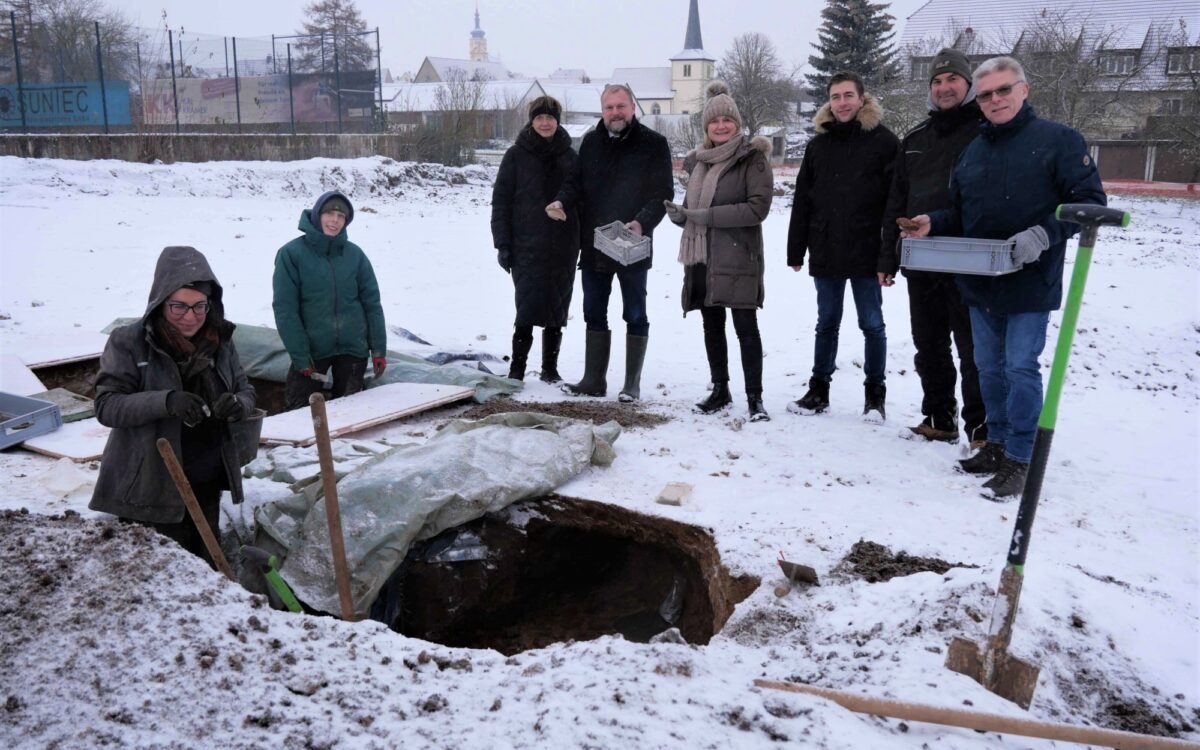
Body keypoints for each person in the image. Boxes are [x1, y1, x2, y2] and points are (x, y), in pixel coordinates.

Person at [902, 56, 1106, 499]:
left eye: (1003, 90)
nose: (995, 100)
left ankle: (1020, 457)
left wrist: (1044, 233)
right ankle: (994, 445)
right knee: (987, 368)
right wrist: (933, 222)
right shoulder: (974, 150)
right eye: (987, 94)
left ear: (1024, 90)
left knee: (1018, 367)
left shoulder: (1059, 141)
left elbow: (1090, 201)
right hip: (980, 278)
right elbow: (963, 212)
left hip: (1030, 280)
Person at [90, 246, 256, 564]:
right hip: (151, 485)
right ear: (160, 301)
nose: (190, 317)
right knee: (159, 577)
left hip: (205, 480)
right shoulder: (130, 341)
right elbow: (107, 406)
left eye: (199, 307)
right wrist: (166, 401)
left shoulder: (219, 340)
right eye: (178, 307)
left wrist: (237, 405)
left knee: (204, 571)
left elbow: (246, 390)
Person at [879, 48, 987, 446]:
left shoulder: (984, 132)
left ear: (968, 84)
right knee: (929, 344)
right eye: (937, 82)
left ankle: (981, 427)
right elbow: (896, 200)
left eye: (952, 80)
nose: (944, 87)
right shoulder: (916, 139)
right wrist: (886, 256)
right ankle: (940, 417)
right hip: (920, 260)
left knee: (973, 349)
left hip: (969, 260)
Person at [787, 70, 898, 420]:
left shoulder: (884, 142)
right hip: (826, 247)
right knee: (827, 322)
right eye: (835, 97)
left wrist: (888, 256)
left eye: (848, 95)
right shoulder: (818, 144)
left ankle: (875, 396)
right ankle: (819, 391)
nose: (842, 103)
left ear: (862, 98)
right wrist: (796, 248)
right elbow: (803, 198)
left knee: (872, 324)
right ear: (829, 102)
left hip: (868, 250)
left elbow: (895, 202)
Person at [665, 80, 774, 422]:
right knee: (712, 326)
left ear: (737, 123)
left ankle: (755, 398)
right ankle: (720, 389)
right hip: (703, 258)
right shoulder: (700, 163)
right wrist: (679, 217)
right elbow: (690, 211)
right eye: (714, 121)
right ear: (706, 127)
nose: (721, 125)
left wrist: (703, 217)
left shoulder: (752, 159)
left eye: (727, 120)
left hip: (739, 256)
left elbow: (757, 209)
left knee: (745, 327)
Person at [562, 83, 674, 401]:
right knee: (593, 311)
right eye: (609, 107)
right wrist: (561, 202)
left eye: (621, 106)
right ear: (602, 110)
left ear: (633, 107)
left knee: (635, 313)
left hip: (631, 241)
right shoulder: (590, 143)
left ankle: (631, 384)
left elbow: (663, 193)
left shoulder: (653, 144)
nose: (615, 112)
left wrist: (642, 221)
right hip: (595, 243)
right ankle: (593, 380)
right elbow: (576, 186)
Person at [490, 95, 580, 382]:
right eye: (539, 117)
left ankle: (550, 369)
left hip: (563, 246)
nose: (545, 123)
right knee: (526, 307)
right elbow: (500, 202)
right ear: (532, 121)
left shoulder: (570, 157)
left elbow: (581, 199)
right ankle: (517, 367)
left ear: (557, 121)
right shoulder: (515, 155)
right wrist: (502, 244)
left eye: (550, 117)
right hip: (525, 246)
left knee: (557, 307)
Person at [273, 190, 387, 410]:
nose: (335, 221)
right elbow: (285, 309)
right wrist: (300, 355)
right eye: (329, 213)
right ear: (317, 215)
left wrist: (379, 349)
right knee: (298, 414)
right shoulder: (291, 254)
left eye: (341, 216)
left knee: (349, 413)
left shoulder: (355, 255)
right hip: (312, 352)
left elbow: (372, 305)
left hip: (353, 349)